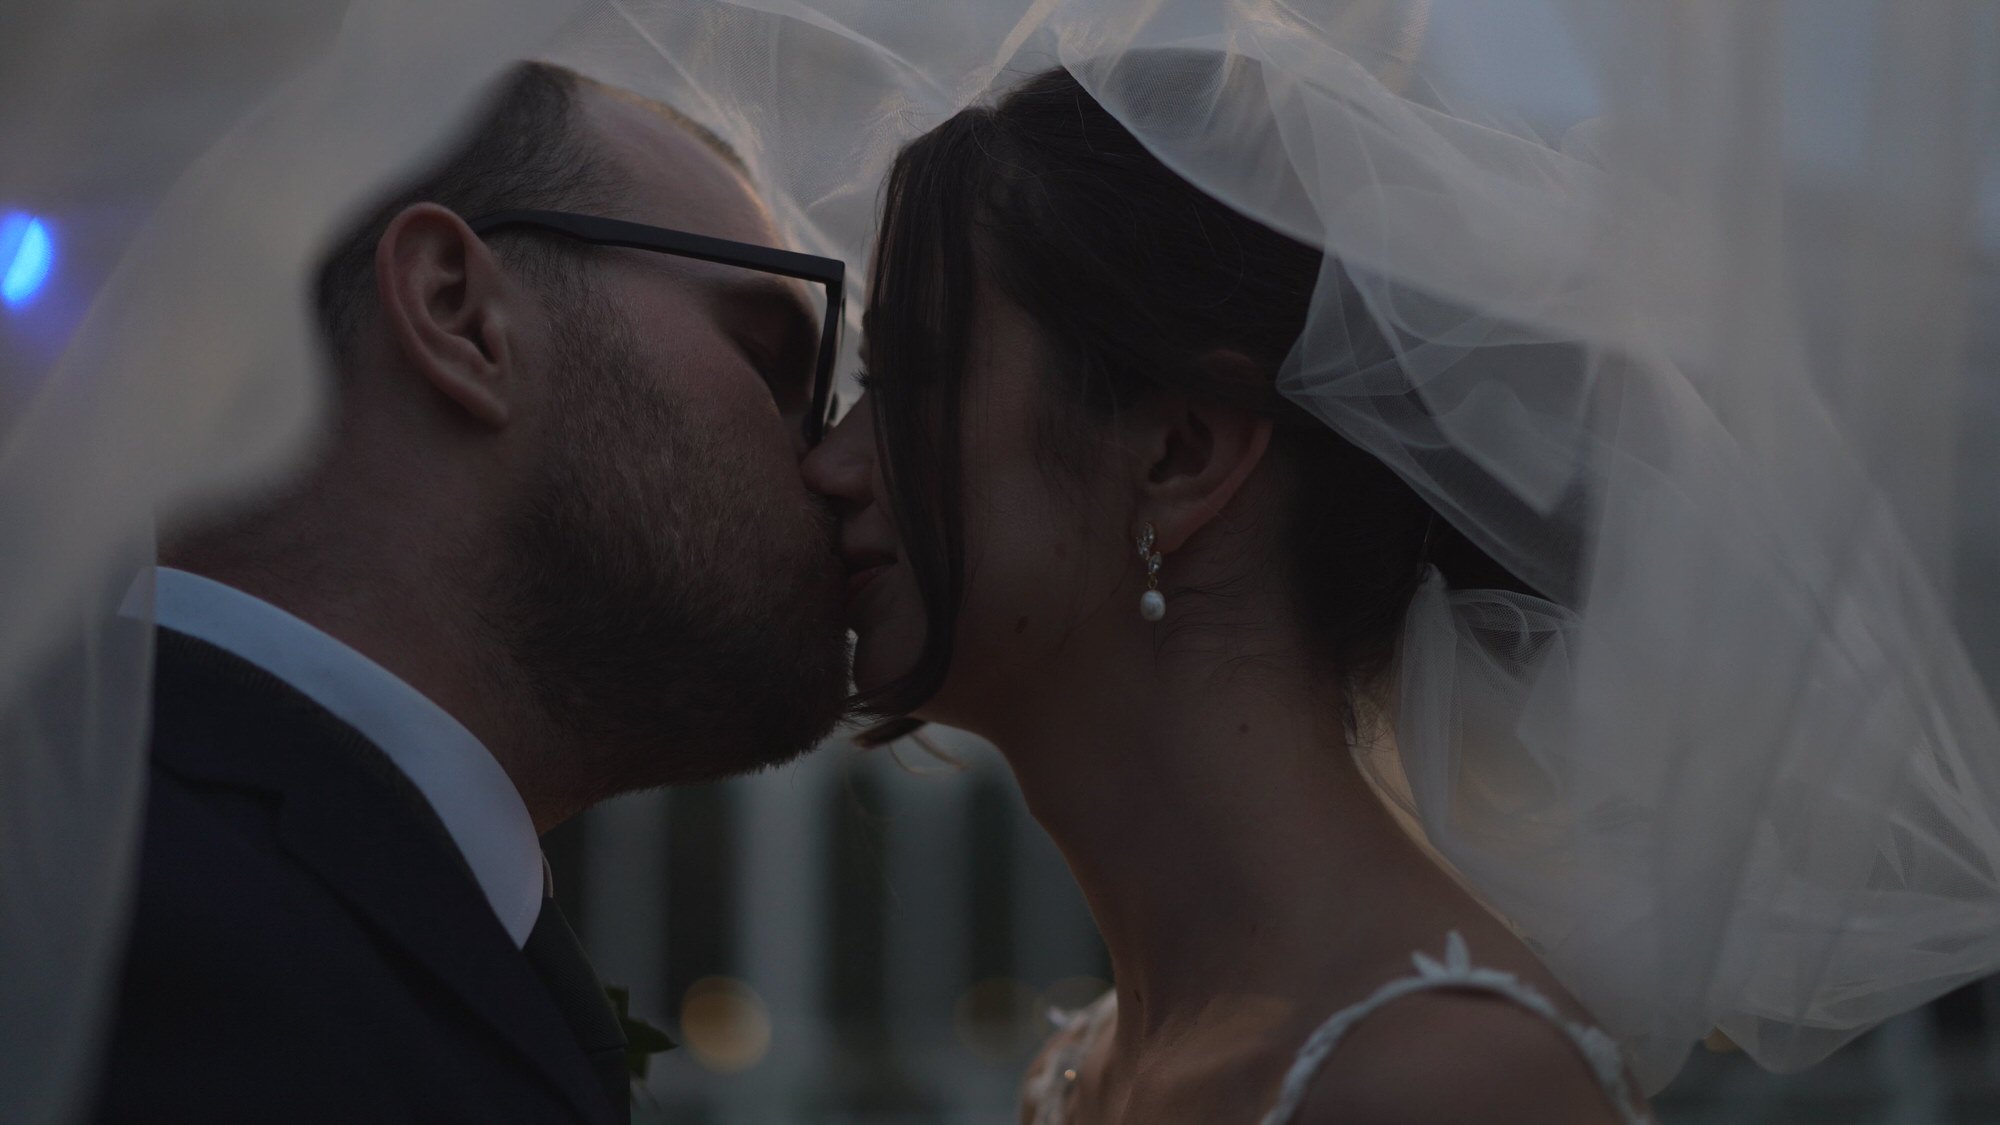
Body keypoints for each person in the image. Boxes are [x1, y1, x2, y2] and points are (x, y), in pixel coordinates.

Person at [804, 65, 1646, 1125]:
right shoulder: (1077, 1073)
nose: (830, 465)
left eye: (908, 381)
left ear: (1179, 454)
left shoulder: (1447, 1083)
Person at [92, 60, 849, 1124]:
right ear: (459, 311)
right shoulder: (120, 908)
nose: (836, 464)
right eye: (769, 358)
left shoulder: (155, 840)